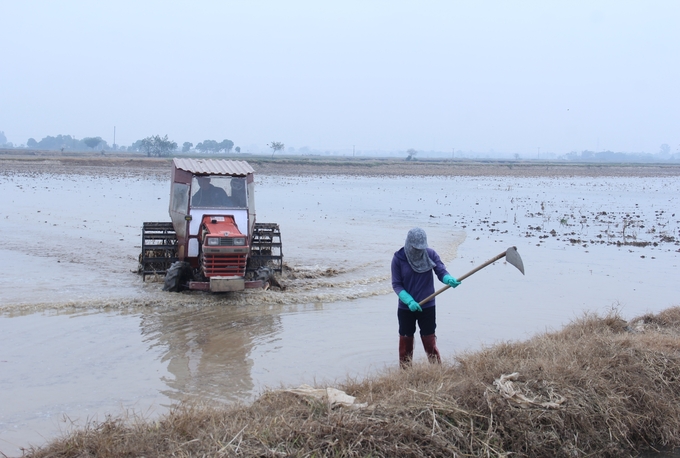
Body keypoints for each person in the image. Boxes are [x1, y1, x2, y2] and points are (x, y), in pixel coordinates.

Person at [391, 227, 461, 368]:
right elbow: (397, 284)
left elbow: (440, 271)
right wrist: (409, 300)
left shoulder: (430, 254)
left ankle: (436, 370)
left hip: (428, 305)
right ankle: (406, 372)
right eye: (416, 248)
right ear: (409, 244)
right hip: (406, 308)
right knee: (406, 340)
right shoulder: (398, 259)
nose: (419, 251)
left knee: (429, 340)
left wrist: (448, 279)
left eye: (421, 248)